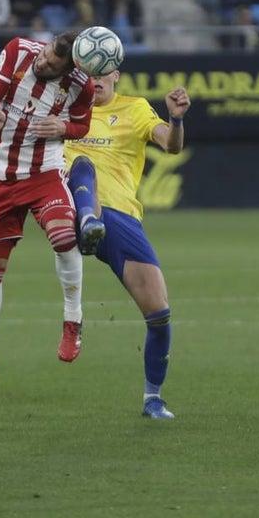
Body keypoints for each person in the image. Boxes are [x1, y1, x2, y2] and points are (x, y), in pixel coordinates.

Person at [0, 30, 96, 399]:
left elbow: (82, 125)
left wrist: (64, 127)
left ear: (66, 72)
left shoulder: (81, 86)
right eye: (45, 55)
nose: (43, 62)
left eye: (52, 64)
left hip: (44, 172)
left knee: (64, 238)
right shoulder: (17, 51)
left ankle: (72, 320)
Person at [62, 69, 191, 419]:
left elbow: (171, 145)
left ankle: (153, 398)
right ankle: (88, 218)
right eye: (88, 73)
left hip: (119, 219)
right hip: (69, 208)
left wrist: (176, 121)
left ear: (116, 74)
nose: (96, 79)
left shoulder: (134, 109)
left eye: (102, 72)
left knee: (159, 313)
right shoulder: (64, 110)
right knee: (82, 164)